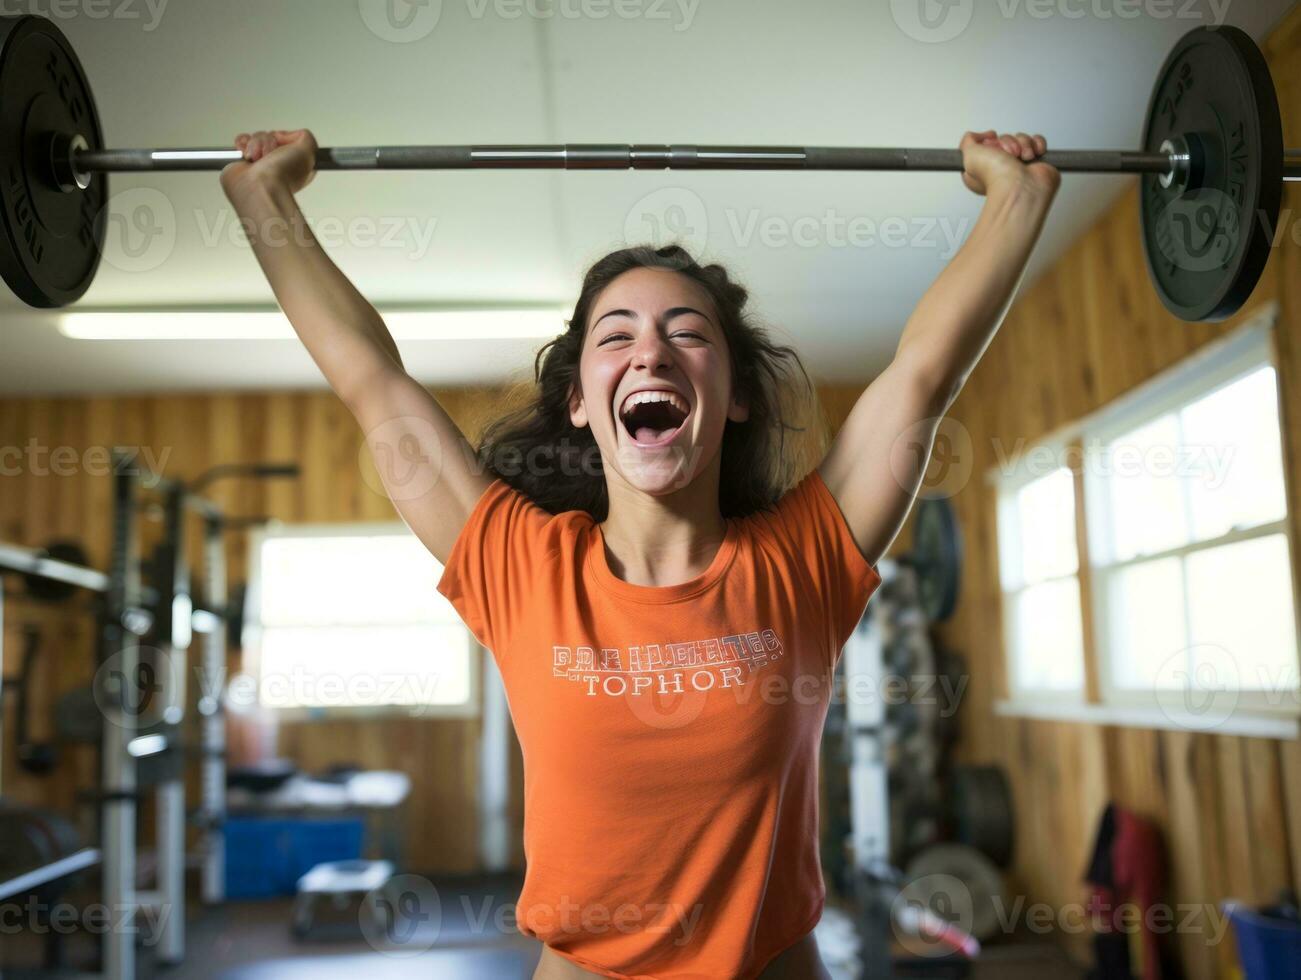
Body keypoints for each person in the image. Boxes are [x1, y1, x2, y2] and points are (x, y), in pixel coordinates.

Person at [220, 128, 1058, 979]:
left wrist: (1014, 197)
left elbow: (923, 374)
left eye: (686, 333)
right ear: (581, 400)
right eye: (614, 336)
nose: (649, 350)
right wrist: (265, 202)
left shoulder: (802, 560)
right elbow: (372, 378)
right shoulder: (519, 565)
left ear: (730, 396)